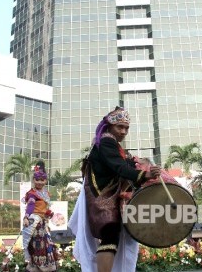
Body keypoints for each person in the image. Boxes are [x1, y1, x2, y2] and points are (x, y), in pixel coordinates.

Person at [69, 107, 161, 272]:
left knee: (111, 237)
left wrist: (139, 164)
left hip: (108, 197)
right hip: (102, 198)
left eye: (126, 128)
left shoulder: (112, 144)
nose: (124, 131)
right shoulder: (106, 142)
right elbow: (119, 167)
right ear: (109, 126)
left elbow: (123, 165)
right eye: (120, 127)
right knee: (109, 236)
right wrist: (145, 174)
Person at [21, 160, 58, 272]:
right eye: (37, 180)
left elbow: (44, 209)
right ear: (34, 180)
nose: (40, 182)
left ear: (46, 180)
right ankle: (38, 267)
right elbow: (31, 206)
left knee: (47, 245)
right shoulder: (32, 194)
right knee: (38, 246)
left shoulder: (46, 193)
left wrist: (48, 214)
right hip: (35, 224)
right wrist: (26, 217)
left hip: (43, 223)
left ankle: (46, 267)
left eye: (42, 180)